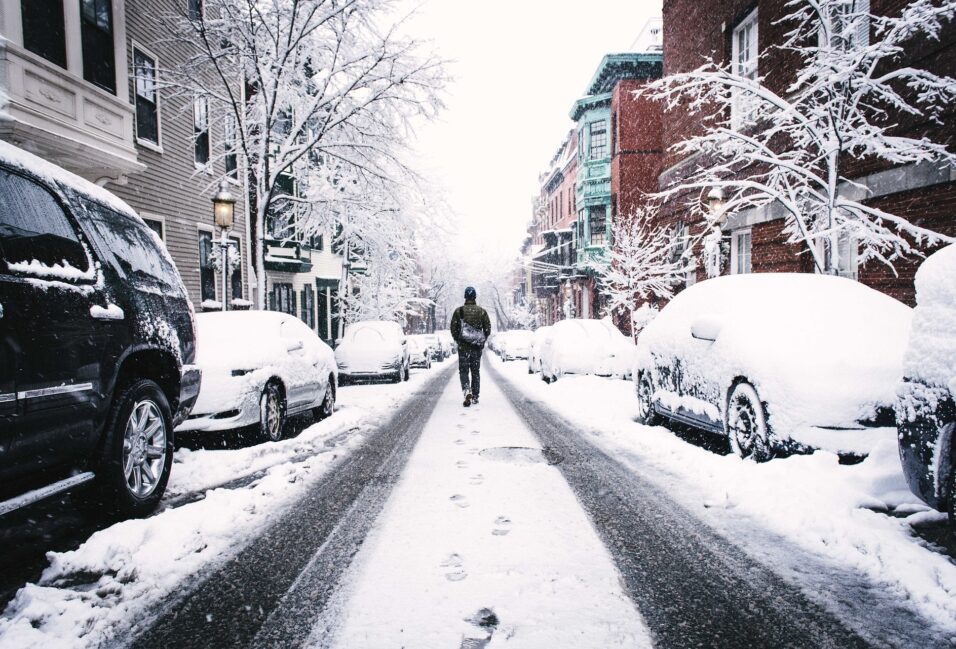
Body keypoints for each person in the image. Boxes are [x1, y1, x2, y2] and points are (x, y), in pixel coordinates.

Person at [450, 286, 492, 407]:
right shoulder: (482, 311)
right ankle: (475, 396)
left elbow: (453, 329)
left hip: (463, 348)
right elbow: (488, 329)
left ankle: (466, 391)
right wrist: (481, 340)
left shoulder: (459, 311)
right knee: (475, 372)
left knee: (463, 371)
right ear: (475, 297)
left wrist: (459, 340)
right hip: (476, 348)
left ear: (465, 297)